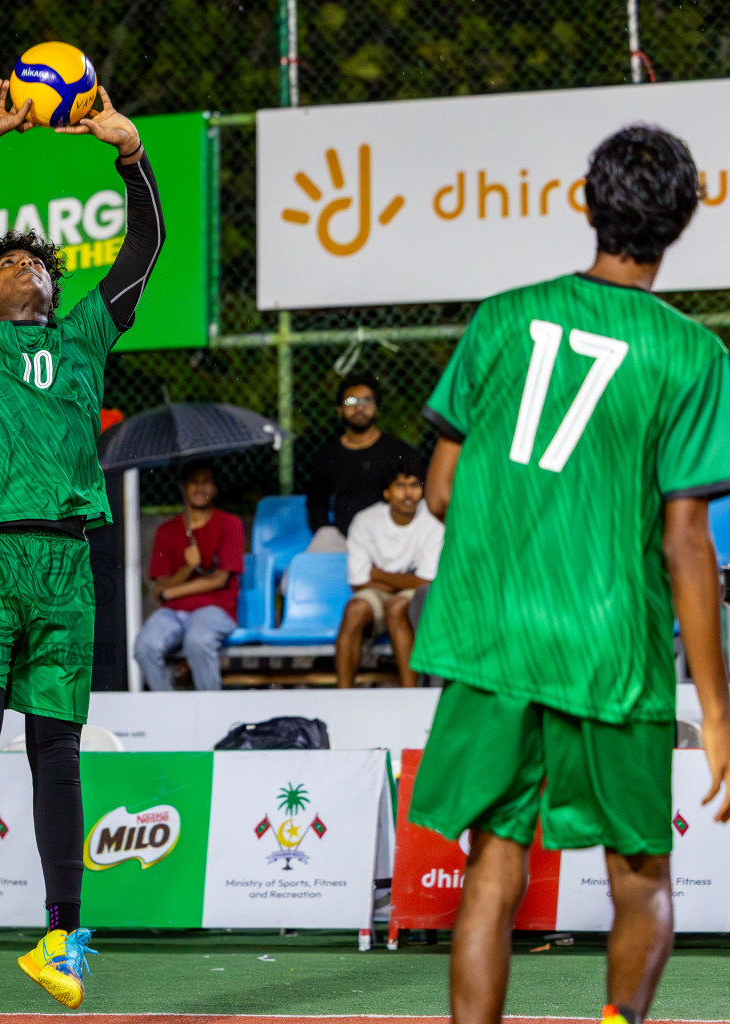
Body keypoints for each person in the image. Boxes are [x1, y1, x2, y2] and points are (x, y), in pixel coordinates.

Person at [408, 125, 730, 1024]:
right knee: (641, 876)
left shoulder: (502, 318)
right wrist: (718, 708)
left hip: (496, 633)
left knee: (493, 871)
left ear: (584, 202)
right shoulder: (695, 356)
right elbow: (687, 544)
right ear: (680, 224)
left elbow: (440, 491)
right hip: (608, 643)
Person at [0, 80, 163, 1008]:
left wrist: (132, 160)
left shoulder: (89, 332)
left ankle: (62, 935)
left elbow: (145, 246)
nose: (33, 268)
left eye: (40, 261)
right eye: (13, 260)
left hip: (63, 561)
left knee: (56, 749)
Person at [134, 460, 245, 690]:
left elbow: (220, 579)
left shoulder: (230, 524)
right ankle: (167, 712)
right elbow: (158, 588)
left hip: (216, 609)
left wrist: (171, 591)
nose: (200, 488)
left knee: (198, 641)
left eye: (206, 482)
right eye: (194, 482)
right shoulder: (167, 530)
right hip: (173, 612)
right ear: (184, 488)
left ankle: (210, 714)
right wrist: (187, 568)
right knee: (145, 646)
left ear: (215, 488)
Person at [335, 460, 442, 688]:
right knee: (355, 609)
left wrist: (379, 574)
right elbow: (359, 582)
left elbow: (426, 582)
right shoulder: (365, 522)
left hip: (416, 597)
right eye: (400, 486)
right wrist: (402, 582)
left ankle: (409, 692)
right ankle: (342, 693)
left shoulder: (432, 521)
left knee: (396, 606)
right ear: (386, 492)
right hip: (379, 593)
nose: (408, 494)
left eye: (414, 485)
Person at [305, 373, 420, 551]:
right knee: (307, 566)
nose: (359, 407)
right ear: (339, 410)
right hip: (342, 539)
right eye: (351, 402)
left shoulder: (399, 452)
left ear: (377, 408)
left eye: (366, 401)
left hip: (390, 539)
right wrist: (324, 530)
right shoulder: (328, 454)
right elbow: (316, 503)